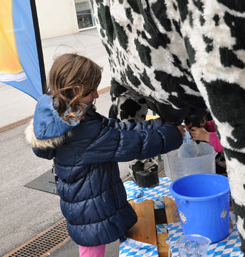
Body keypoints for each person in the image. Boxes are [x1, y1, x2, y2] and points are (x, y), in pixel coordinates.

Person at [25, 53, 182, 257]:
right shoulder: (83, 131)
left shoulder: (69, 115)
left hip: (89, 198)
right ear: (75, 90)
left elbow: (114, 128)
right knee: (91, 252)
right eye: (91, 91)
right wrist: (171, 134)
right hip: (89, 210)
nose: (97, 95)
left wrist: (158, 125)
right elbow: (133, 144)